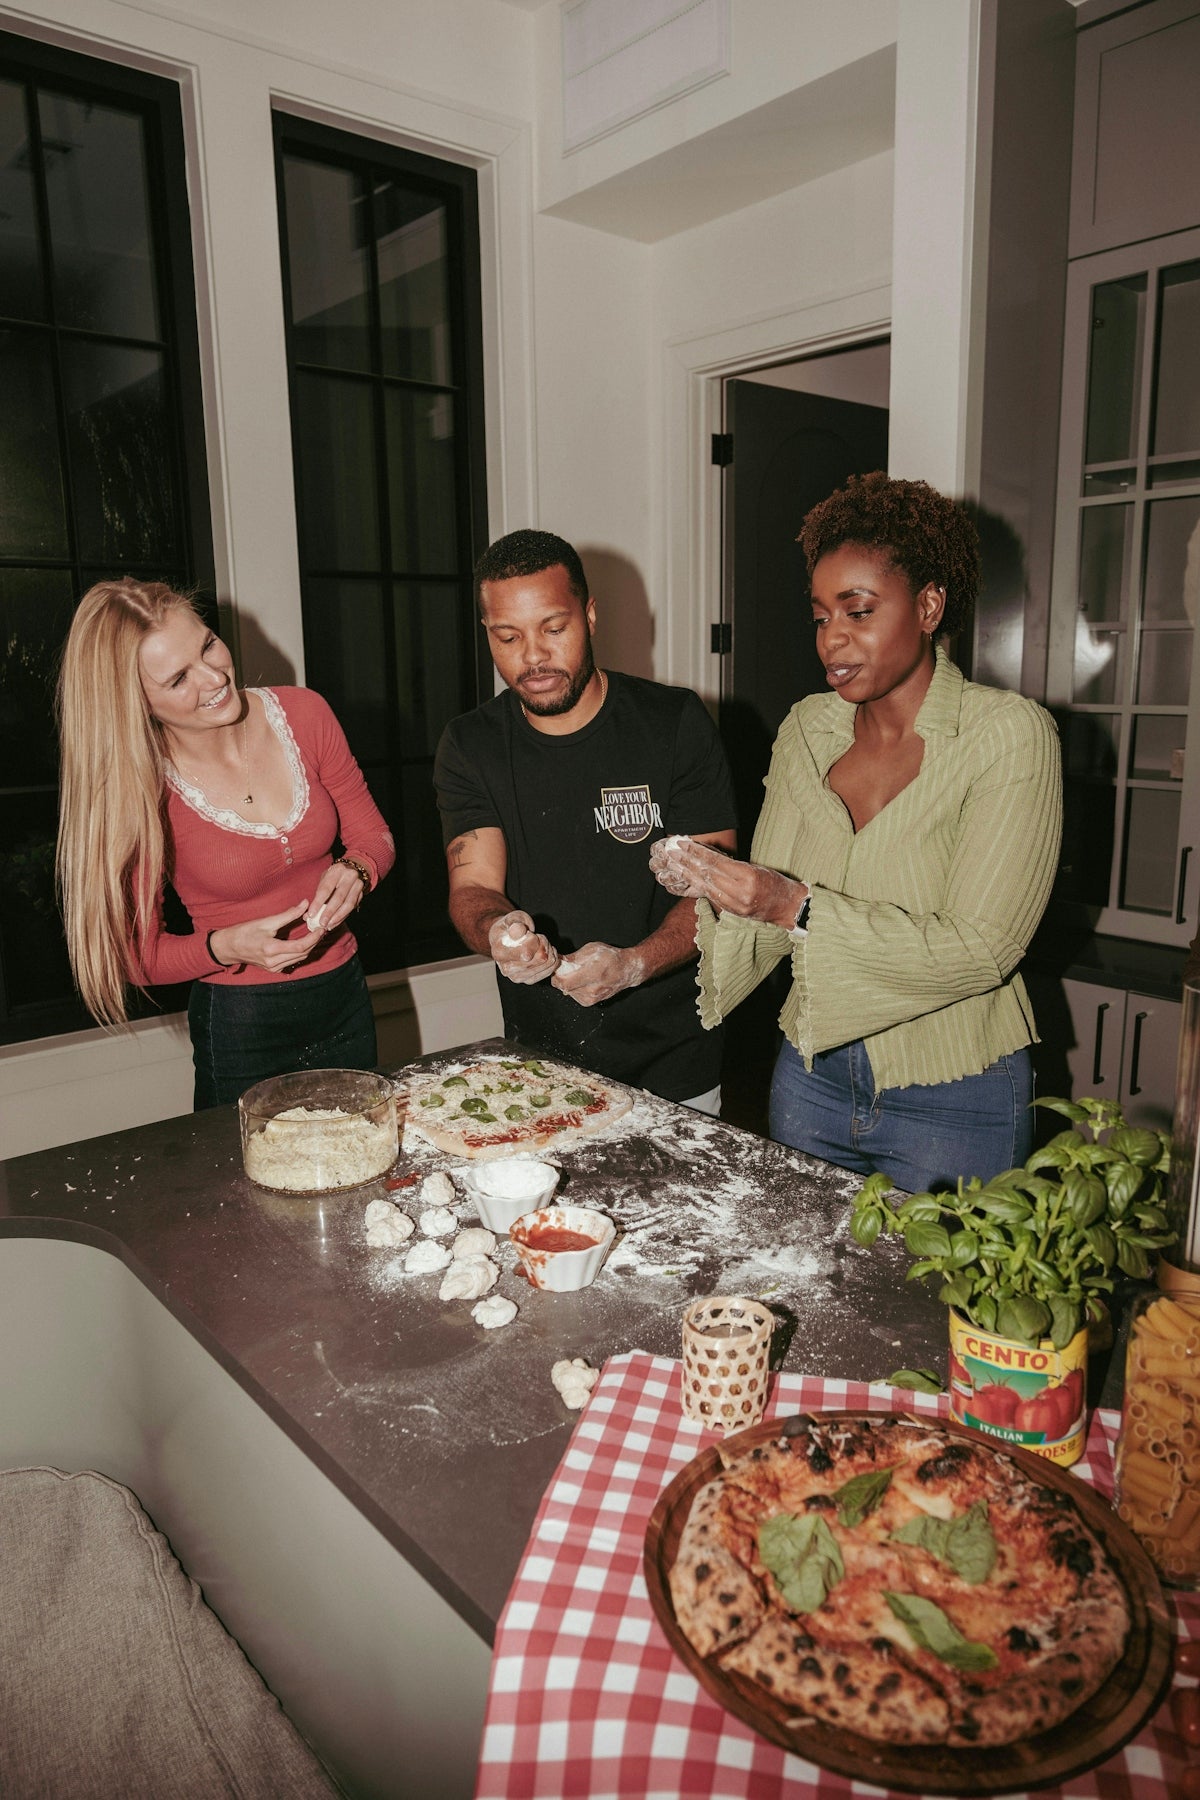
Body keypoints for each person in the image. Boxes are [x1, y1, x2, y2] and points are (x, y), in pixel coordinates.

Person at [650, 472, 1063, 1192]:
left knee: (942, 1307)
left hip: (957, 1091)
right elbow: (770, 909)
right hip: (811, 1079)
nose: (832, 639)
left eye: (858, 611)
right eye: (819, 616)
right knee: (810, 1291)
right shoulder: (809, 728)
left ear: (929, 604)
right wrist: (714, 886)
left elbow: (983, 947)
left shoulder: (1007, 736)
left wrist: (790, 904)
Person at [56, 579, 395, 1109]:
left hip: (344, 994)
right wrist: (225, 946)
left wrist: (357, 869)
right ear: (135, 703)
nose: (216, 678)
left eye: (208, 644)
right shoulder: (140, 789)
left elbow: (374, 836)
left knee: (359, 1172)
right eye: (178, 679)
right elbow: (134, 957)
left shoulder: (305, 714)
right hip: (242, 1026)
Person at [433, 528, 737, 1109]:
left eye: (553, 628)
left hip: (678, 1059)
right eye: (508, 636)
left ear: (590, 615)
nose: (533, 657)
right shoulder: (471, 745)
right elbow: (473, 887)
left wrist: (634, 964)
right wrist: (501, 933)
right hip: (544, 1067)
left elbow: (719, 886)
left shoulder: (673, 722)